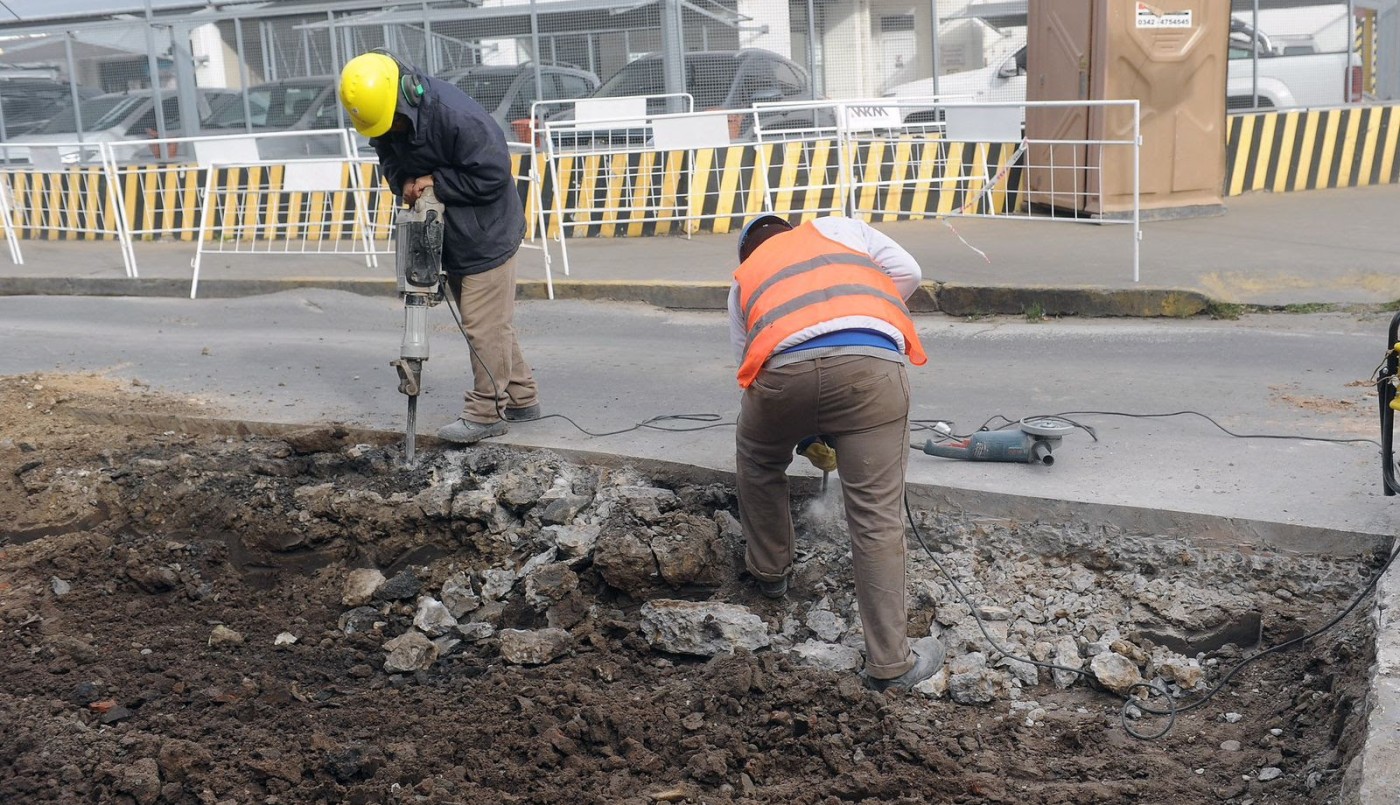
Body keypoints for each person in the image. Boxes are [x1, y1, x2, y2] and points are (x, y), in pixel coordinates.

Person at [728, 213, 944, 692]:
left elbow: (749, 363)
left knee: (758, 459)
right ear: (789, 228)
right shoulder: (841, 227)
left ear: (748, 253)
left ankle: (770, 572)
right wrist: (861, 317)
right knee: (875, 515)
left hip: (783, 379)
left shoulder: (746, 278)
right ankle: (891, 663)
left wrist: (801, 433)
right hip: (872, 367)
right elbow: (907, 269)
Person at [338, 50, 540, 445]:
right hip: (448, 234)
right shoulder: (383, 119)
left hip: (487, 232)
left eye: (394, 121)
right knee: (488, 322)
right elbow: (390, 161)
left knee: (484, 325)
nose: (390, 130)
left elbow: (494, 176)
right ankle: (522, 396)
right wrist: (406, 183)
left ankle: (486, 412)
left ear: (406, 96)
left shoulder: (457, 117)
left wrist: (436, 184)